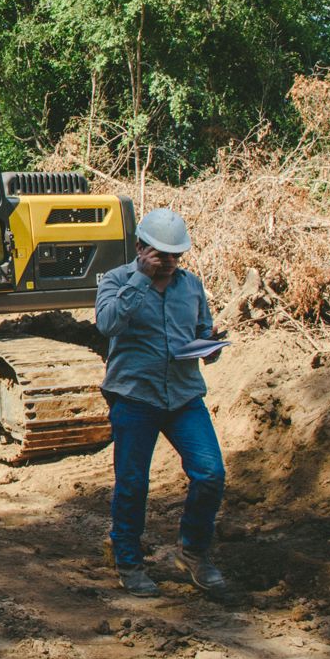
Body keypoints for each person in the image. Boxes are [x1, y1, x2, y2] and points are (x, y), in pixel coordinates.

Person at [95, 208, 229, 598]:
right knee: (133, 484)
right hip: (135, 396)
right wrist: (142, 278)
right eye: (161, 255)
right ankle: (129, 561)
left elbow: (201, 331)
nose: (170, 263)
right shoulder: (117, 281)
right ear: (140, 248)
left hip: (184, 395)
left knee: (210, 473)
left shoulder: (191, 287)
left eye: (176, 256)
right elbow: (108, 324)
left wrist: (211, 346)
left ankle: (193, 551)